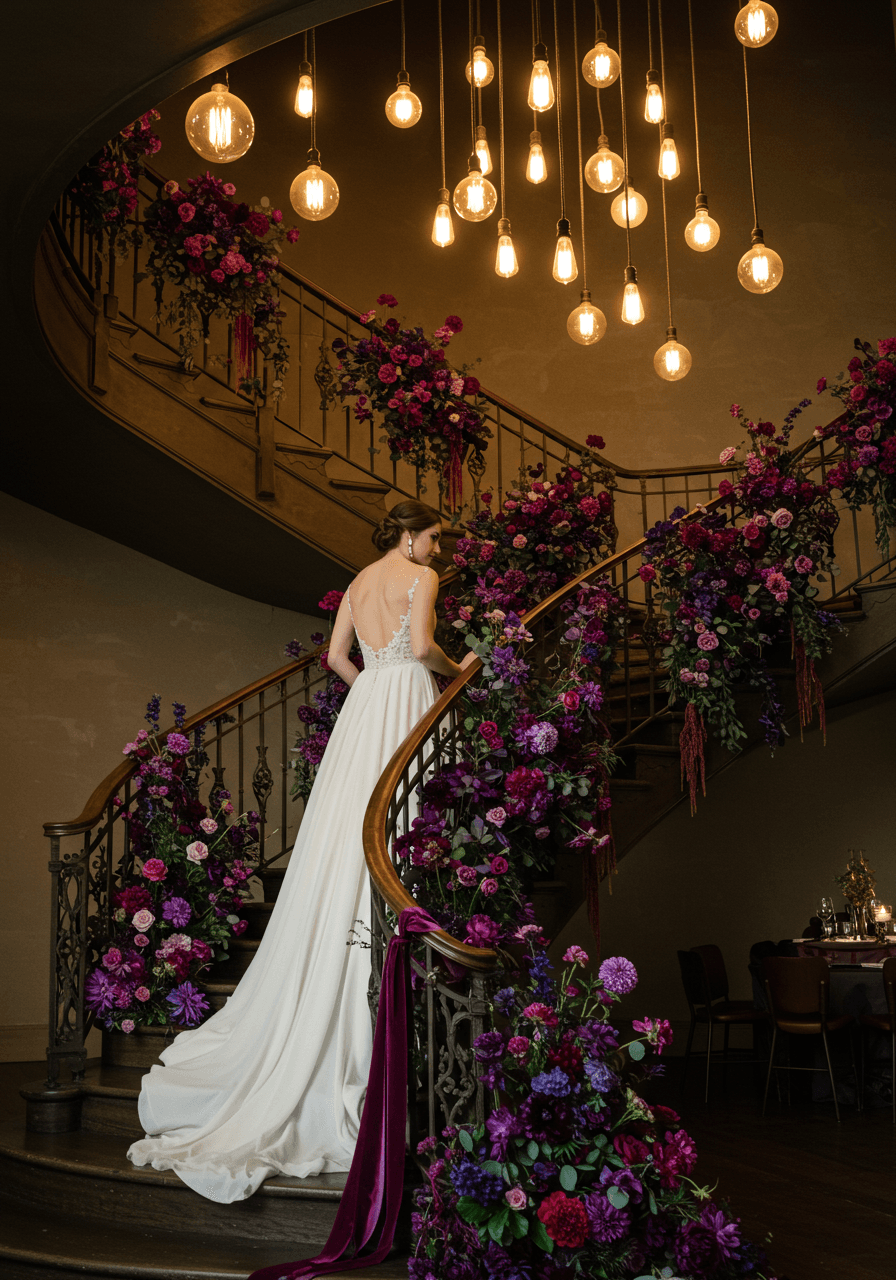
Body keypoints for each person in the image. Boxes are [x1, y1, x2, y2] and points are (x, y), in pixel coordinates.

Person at [127, 500, 475, 1203]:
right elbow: (426, 644)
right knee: (403, 819)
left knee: (347, 829)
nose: (438, 548)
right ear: (411, 534)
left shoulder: (356, 581)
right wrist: (457, 669)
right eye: (434, 536)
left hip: (367, 704)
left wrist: (372, 687)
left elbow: (333, 658)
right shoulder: (418, 576)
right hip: (407, 695)